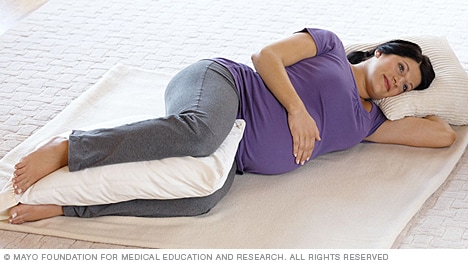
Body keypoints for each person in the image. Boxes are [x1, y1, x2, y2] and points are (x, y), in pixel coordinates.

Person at [8, 28, 456, 224]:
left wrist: (413, 101)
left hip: (236, 155)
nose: (396, 82)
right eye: (400, 67)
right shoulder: (331, 47)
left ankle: (71, 209)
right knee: (200, 133)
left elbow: (444, 135)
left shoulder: (370, 122)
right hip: (225, 85)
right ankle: (71, 148)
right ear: (378, 51)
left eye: (405, 85)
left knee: (200, 201)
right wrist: (298, 111)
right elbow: (266, 56)